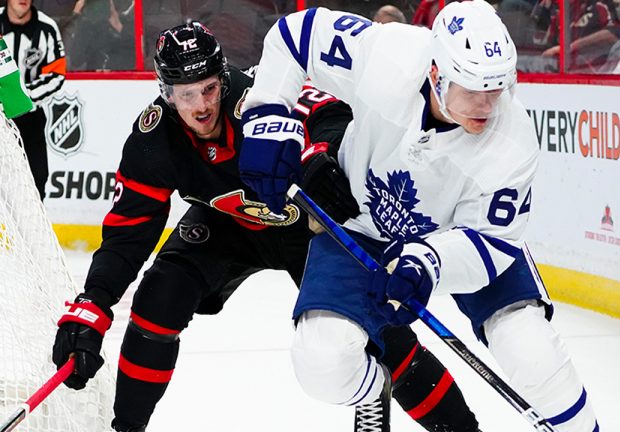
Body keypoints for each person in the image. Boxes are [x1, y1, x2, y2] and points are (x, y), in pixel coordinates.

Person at [50, 20, 480, 432]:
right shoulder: (152, 141)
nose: (201, 106)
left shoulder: (257, 92)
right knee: (157, 298)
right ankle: (126, 428)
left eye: (209, 88)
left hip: (305, 229)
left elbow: (329, 111)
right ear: (165, 93)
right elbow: (129, 233)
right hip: (227, 226)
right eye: (185, 95)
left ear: (223, 77)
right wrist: (94, 302)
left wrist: (318, 153)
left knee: (384, 329)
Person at [238, 1, 599, 431]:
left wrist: (428, 261)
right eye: (471, 89)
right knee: (321, 364)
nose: (486, 105)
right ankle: (374, 389)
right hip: (362, 223)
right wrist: (268, 113)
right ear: (435, 73)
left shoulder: (512, 144)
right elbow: (295, 35)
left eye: (496, 88)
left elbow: (494, 242)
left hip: (462, 239)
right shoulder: (388, 55)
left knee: (531, 351)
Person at [0, 0, 66, 200]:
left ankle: (31, 231)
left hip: (30, 119)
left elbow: (57, 74)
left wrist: (23, 97)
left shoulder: (46, 27)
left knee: (36, 181)